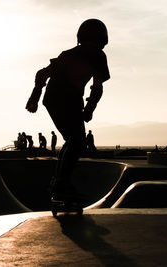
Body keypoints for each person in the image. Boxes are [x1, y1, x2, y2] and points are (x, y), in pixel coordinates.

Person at [26, 19, 110, 199]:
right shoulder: (98, 55)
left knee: (72, 141)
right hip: (69, 99)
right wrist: (90, 108)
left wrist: (35, 96)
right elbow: (97, 86)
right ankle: (61, 185)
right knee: (78, 143)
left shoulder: (67, 53)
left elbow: (42, 73)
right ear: (103, 39)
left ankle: (58, 183)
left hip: (52, 99)